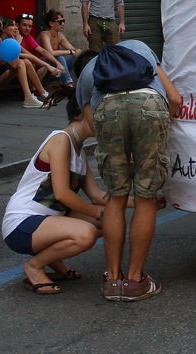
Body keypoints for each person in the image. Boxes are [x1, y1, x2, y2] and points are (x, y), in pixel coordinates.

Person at [77, 39, 182, 302]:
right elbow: (174, 98)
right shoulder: (143, 48)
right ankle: (135, 281)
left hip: (108, 109)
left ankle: (113, 280)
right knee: (146, 196)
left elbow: (93, 125)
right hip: (149, 105)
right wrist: (151, 137)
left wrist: (122, 153)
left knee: (116, 194)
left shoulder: (87, 72)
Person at [2, 72, 108, 294]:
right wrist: (98, 214)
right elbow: (61, 194)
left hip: (47, 220)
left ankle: (54, 263)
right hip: (24, 223)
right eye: (102, 113)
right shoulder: (60, 140)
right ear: (83, 112)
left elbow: (98, 197)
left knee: (108, 220)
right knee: (87, 233)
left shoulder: (78, 149)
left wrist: (141, 202)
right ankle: (34, 266)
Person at [17, 12, 66, 84]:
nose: (27, 28)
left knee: (48, 59)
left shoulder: (28, 37)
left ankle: (35, 88)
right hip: (18, 65)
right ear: (17, 25)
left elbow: (43, 51)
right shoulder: (13, 37)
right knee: (28, 62)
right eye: (24, 25)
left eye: (30, 26)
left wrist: (58, 63)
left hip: (30, 63)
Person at [38, 9, 82, 84]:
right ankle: (68, 84)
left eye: (63, 21)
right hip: (43, 70)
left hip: (57, 70)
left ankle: (83, 82)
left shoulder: (59, 35)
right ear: (51, 23)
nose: (63, 24)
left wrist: (77, 51)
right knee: (60, 58)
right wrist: (71, 52)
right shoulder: (44, 35)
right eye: (60, 22)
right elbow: (50, 52)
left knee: (76, 57)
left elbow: (72, 48)